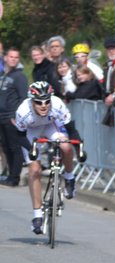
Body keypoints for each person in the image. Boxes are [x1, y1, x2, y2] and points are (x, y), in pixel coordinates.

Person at [15, 81, 84, 233]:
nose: (44, 105)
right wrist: (31, 150)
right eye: (39, 102)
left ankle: (69, 177)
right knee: (34, 170)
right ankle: (37, 216)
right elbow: (19, 136)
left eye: (47, 101)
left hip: (50, 125)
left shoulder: (57, 105)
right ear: (32, 101)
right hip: (30, 133)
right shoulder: (22, 111)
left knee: (66, 146)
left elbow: (71, 130)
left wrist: (79, 148)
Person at [0, 47, 29, 188]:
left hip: (12, 117)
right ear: (5, 58)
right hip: (2, 117)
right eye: (11, 56)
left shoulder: (20, 76)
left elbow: (24, 98)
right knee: (6, 147)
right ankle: (10, 174)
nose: (13, 59)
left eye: (16, 57)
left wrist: (17, 116)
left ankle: (14, 177)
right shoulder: (4, 75)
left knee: (15, 147)